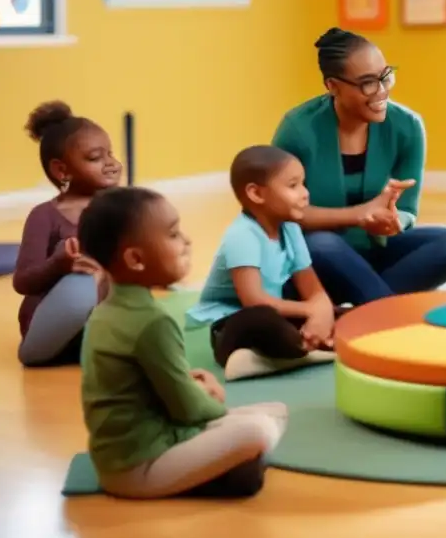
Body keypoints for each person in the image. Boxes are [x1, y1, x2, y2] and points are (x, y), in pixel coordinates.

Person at [78, 187, 288, 499]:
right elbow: (188, 408)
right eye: (173, 234)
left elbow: (134, 385)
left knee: (274, 410)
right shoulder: (152, 321)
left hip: (116, 458)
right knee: (260, 429)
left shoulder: (103, 311)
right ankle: (224, 472)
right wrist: (211, 397)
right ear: (136, 258)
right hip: (140, 468)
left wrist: (191, 384)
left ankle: (226, 465)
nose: (186, 241)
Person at [271, 27, 446, 306]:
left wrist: (393, 221)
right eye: (367, 83)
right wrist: (359, 215)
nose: (381, 91)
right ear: (333, 86)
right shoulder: (298, 129)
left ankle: (361, 308)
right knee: (322, 244)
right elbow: (282, 213)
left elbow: (407, 210)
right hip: (313, 263)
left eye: (385, 76)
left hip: (375, 253)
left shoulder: (407, 126)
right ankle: (383, 309)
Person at [186, 146, 337, 381]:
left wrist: (323, 313)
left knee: (351, 314)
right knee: (263, 320)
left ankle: (276, 357)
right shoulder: (242, 235)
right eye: (293, 185)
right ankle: (319, 348)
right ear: (256, 194)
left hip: (280, 315)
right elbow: (253, 300)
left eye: (303, 184)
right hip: (235, 326)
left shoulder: (290, 228)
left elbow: (314, 290)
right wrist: (311, 310)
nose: (305, 193)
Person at [12, 101, 123, 367]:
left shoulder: (119, 206)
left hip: (102, 319)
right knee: (82, 283)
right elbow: (22, 282)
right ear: (62, 170)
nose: (110, 163)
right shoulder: (44, 215)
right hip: (55, 327)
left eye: (110, 154)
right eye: (96, 158)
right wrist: (59, 264)